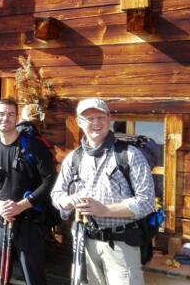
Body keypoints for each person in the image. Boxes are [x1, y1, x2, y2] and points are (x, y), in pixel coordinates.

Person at [50, 98, 155, 285]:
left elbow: (146, 201)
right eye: (89, 118)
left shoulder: (130, 155)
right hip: (85, 242)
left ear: (109, 118)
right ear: (79, 123)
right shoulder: (74, 158)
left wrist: (105, 210)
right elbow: (56, 195)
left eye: (100, 116)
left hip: (122, 245)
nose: (96, 123)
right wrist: (67, 201)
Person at [0, 98, 56, 285]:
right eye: (1, 114)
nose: (5, 118)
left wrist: (21, 206)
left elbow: (50, 181)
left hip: (29, 223)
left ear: (16, 118)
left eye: (10, 114)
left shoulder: (33, 146)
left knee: (33, 277)